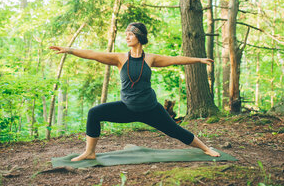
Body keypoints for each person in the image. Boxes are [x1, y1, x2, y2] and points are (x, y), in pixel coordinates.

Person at [49, 22, 220, 161]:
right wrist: (70, 50)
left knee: (175, 131)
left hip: (151, 109)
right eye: (126, 34)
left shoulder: (150, 58)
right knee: (94, 113)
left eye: (130, 34)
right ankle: (89, 152)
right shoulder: (120, 58)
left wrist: (198, 59)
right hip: (127, 108)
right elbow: (92, 54)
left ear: (139, 36)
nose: (127, 37)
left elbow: (175, 59)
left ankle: (206, 148)